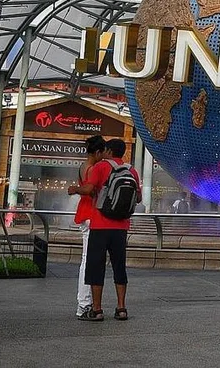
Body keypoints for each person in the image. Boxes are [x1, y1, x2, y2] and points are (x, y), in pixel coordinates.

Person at [69, 138, 141, 322]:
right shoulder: (131, 170)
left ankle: (97, 309)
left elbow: (89, 189)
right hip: (122, 226)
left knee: (95, 267)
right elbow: (138, 198)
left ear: (108, 151)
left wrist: (74, 189)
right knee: (119, 267)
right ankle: (121, 308)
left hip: (100, 225)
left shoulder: (101, 167)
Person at [68, 135, 107, 319]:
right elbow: (89, 190)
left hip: (85, 214)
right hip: (91, 214)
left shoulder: (82, 166)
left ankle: (86, 302)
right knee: (88, 260)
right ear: (98, 152)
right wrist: (77, 189)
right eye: (102, 153)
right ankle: (83, 304)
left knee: (88, 259)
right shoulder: (93, 168)